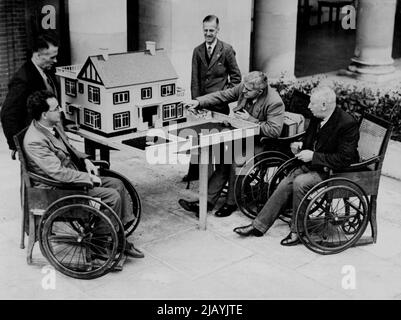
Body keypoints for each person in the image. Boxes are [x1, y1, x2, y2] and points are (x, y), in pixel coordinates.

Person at [23, 90, 144, 259]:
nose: (61, 110)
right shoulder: (35, 140)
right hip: (56, 189)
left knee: (118, 184)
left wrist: (86, 160)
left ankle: (118, 236)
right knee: (112, 196)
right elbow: (57, 173)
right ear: (44, 114)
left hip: (71, 176)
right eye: (56, 108)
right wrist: (88, 178)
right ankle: (100, 244)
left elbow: (69, 148)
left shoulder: (53, 125)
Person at [233, 86, 360, 246]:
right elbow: (311, 139)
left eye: (312, 104)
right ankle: (259, 225)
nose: (308, 107)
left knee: (300, 182)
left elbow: (344, 158)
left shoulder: (347, 124)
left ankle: (297, 232)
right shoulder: (318, 116)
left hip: (334, 170)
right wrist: (300, 146)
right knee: (286, 181)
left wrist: (313, 155)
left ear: (323, 105)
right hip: (316, 165)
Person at [178, 71, 285, 218]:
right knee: (224, 160)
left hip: (261, 143)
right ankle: (205, 202)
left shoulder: (274, 102)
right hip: (241, 137)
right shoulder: (245, 87)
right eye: (244, 88)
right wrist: (198, 102)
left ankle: (231, 203)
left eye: (248, 90)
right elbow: (222, 95)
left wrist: (251, 120)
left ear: (260, 91)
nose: (244, 91)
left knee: (237, 162)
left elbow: (274, 131)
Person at [184, 14, 242, 182]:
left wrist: (224, 96)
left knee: (217, 142)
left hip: (219, 106)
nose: (208, 34)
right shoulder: (198, 51)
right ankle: (195, 174)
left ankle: (215, 178)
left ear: (218, 30)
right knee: (198, 139)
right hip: (201, 105)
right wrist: (196, 103)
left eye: (211, 30)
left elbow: (237, 79)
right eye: (205, 30)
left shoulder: (227, 50)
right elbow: (194, 80)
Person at [1, 31, 60, 154]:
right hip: (35, 141)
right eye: (52, 57)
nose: (56, 61)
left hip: (50, 136)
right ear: (38, 56)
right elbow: (8, 113)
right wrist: (16, 145)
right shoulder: (23, 79)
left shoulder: (47, 69)